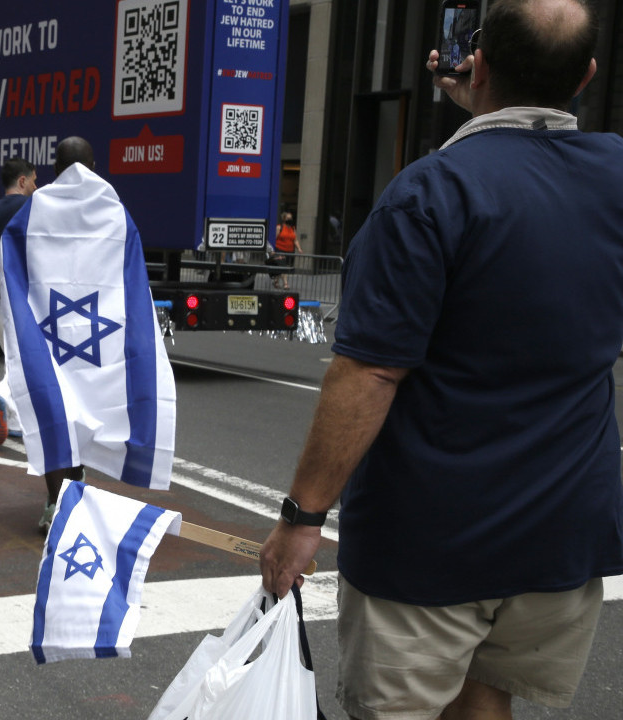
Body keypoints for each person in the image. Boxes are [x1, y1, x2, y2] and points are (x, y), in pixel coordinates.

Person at [259, 1, 622, 718]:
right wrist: (485, 104)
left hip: (433, 537)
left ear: (478, 65)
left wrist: (302, 518)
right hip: (562, 528)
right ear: (586, 76)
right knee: (487, 698)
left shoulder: (429, 194)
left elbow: (371, 372)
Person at [0, 137, 176, 530]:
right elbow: (132, 280)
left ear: (54, 169)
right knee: (89, 403)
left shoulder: (35, 210)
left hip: (47, 334)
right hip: (100, 336)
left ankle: (56, 501)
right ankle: (73, 487)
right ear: (94, 165)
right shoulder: (115, 212)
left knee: (54, 410)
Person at [0, 157, 38, 445]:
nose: (36, 187)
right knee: (27, 362)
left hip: (1, 295)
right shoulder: (32, 208)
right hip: (27, 297)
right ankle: (2, 395)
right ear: (22, 181)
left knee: (12, 359)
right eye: (34, 180)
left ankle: (13, 422)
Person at [268, 209, 295, 290]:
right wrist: (271, 250)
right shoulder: (279, 227)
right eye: (288, 218)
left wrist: (299, 248)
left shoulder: (292, 228)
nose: (290, 219)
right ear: (284, 219)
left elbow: (295, 239)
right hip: (280, 250)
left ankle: (276, 281)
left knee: (282, 267)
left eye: (291, 218)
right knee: (283, 267)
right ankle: (285, 284)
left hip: (289, 251)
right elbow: (273, 239)